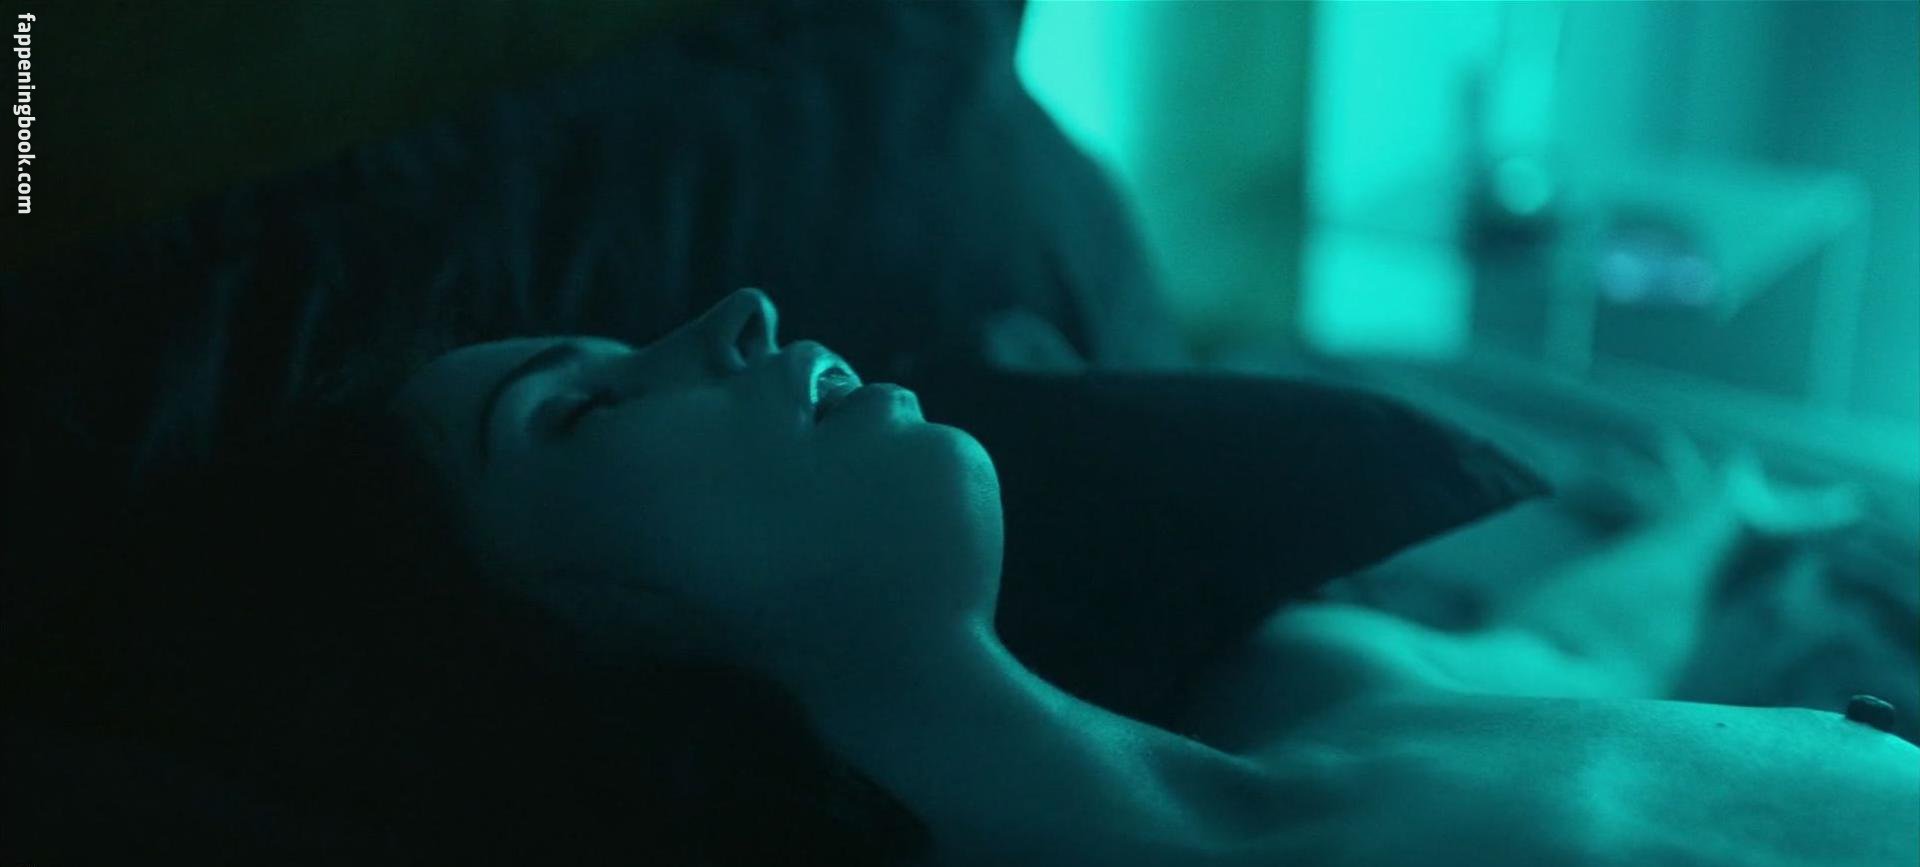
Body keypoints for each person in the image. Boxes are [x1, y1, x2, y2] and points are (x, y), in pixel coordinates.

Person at [12, 288, 1916, 866]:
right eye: (580, 414)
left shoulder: (1315, 693)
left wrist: (1718, 523)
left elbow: (1566, 654)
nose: (728, 316)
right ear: (553, 652)